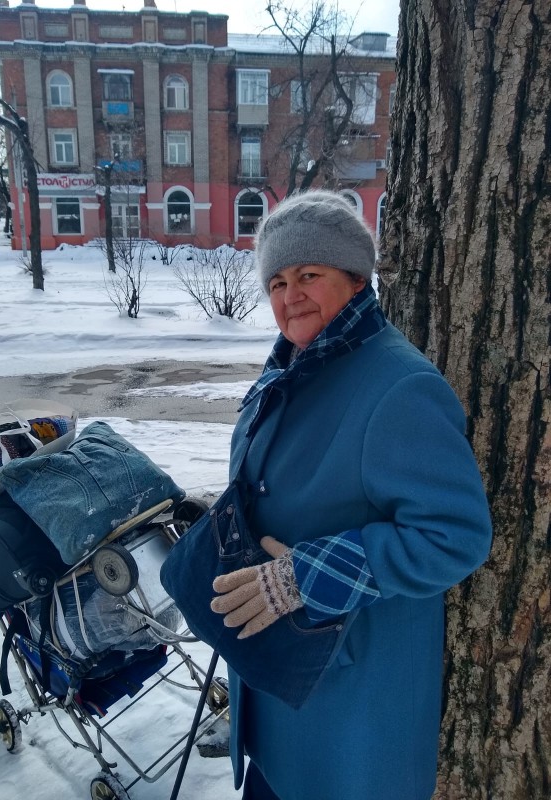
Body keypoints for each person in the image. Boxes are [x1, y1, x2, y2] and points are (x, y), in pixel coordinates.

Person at [209, 190, 493, 800]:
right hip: (278, 694)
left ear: (356, 280)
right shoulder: (292, 367)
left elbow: (455, 536)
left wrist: (302, 578)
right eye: (278, 282)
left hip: (349, 716)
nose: (291, 297)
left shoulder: (399, 387)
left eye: (310, 275)